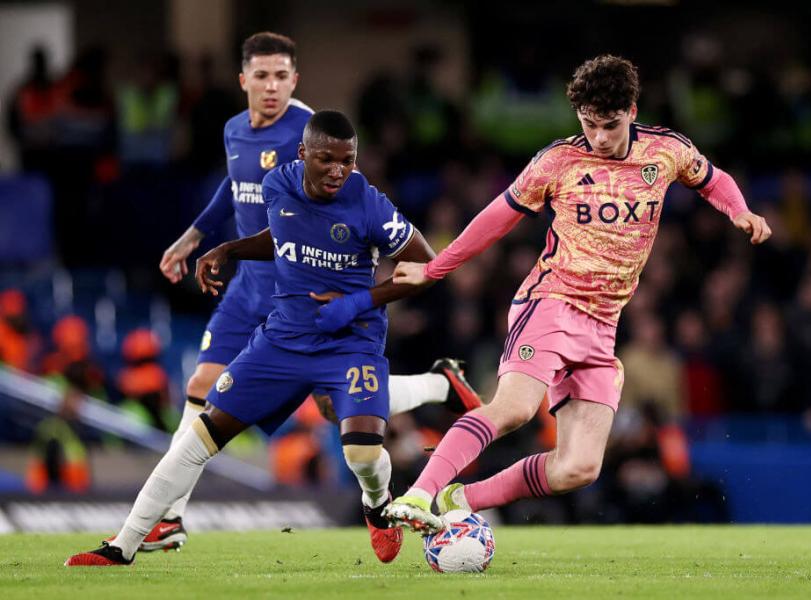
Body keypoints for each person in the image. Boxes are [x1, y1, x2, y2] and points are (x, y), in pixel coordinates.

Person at [383, 54, 772, 533]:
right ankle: (418, 494)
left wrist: (740, 211)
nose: (599, 137)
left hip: (603, 325)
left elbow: (713, 180)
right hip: (551, 304)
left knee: (579, 468)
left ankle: (457, 500)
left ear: (632, 110)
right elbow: (493, 220)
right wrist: (436, 269)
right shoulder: (558, 161)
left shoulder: (665, 151)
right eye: (589, 124)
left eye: (609, 125)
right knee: (516, 409)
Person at [150, 32, 479, 552]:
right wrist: (196, 235)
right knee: (203, 383)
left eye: (282, 75)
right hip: (249, 285)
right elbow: (234, 188)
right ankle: (169, 517)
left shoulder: (304, 131)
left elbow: (344, 197)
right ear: (244, 81)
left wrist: (356, 290)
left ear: (295, 80)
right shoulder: (236, 130)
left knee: (337, 410)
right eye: (262, 76)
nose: (272, 86)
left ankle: (437, 386)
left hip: (296, 286)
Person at [66, 110, 436, 567]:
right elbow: (281, 235)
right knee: (198, 435)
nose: (339, 170)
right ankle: (121, 546)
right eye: (327, 159)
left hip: (349, 341)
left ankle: (377, 506)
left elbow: (429, 266)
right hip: (281, 340)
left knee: (362, 452)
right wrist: (229, 248)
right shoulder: (278, 184)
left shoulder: (370, 203)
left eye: (348, 160)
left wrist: (358, 301)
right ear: (302, 155)